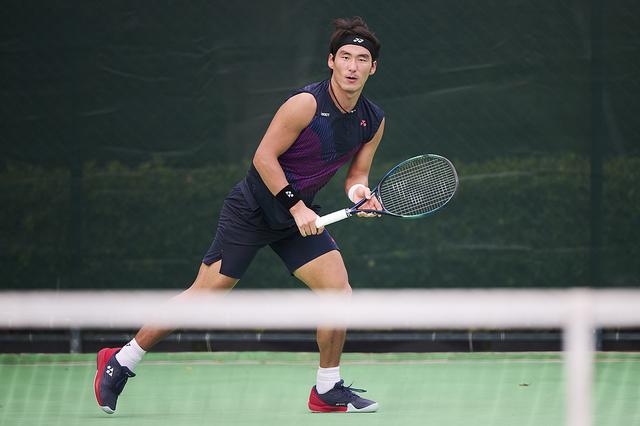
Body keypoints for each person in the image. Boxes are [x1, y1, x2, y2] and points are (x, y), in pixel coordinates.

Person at [94, 16, 385, 414]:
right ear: (331, 61)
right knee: (205, 294)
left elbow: (357, 174)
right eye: (345, 57)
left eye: (361, 59)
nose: (352, 66)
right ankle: (120, 360)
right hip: (253, 208)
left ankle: (327, 389)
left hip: (297, 219)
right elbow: (263, 157)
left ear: (373, 68)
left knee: (338, 292)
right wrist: (295, 205)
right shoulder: (306, 104)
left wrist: (359, 194)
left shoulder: (372, 120)